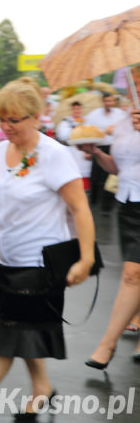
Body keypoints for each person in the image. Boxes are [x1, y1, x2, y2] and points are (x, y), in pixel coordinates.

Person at [0, 77, 95, 423]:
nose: (6, 127)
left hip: (40, 265)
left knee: (8, 332)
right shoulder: (0, 151)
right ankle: (42, 387)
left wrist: (86, 258)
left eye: (14, 120)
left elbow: (80, 209)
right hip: (5, 259)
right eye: (2, 120)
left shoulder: (54, 156)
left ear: (36, 117)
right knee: (24, 327)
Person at [81, 108, 140, 367]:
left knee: (132, 273)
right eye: (134, 85)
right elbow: (119, 168)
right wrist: (97, 153)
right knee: (134, 274)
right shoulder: (123, 123)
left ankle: (107, 344)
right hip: (128, 204)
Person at [84, 92, 128, 215]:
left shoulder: (120, 114)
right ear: (103, 101)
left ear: (114, 101)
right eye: (107, 101)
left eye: (111, 101)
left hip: (114, 146)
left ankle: (107, 207)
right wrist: (88, 149)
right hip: (98, 147)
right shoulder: (94, 115)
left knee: (111, 177)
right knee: (95, 176)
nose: (109, 103)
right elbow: (88, 130)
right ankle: (93, 203)